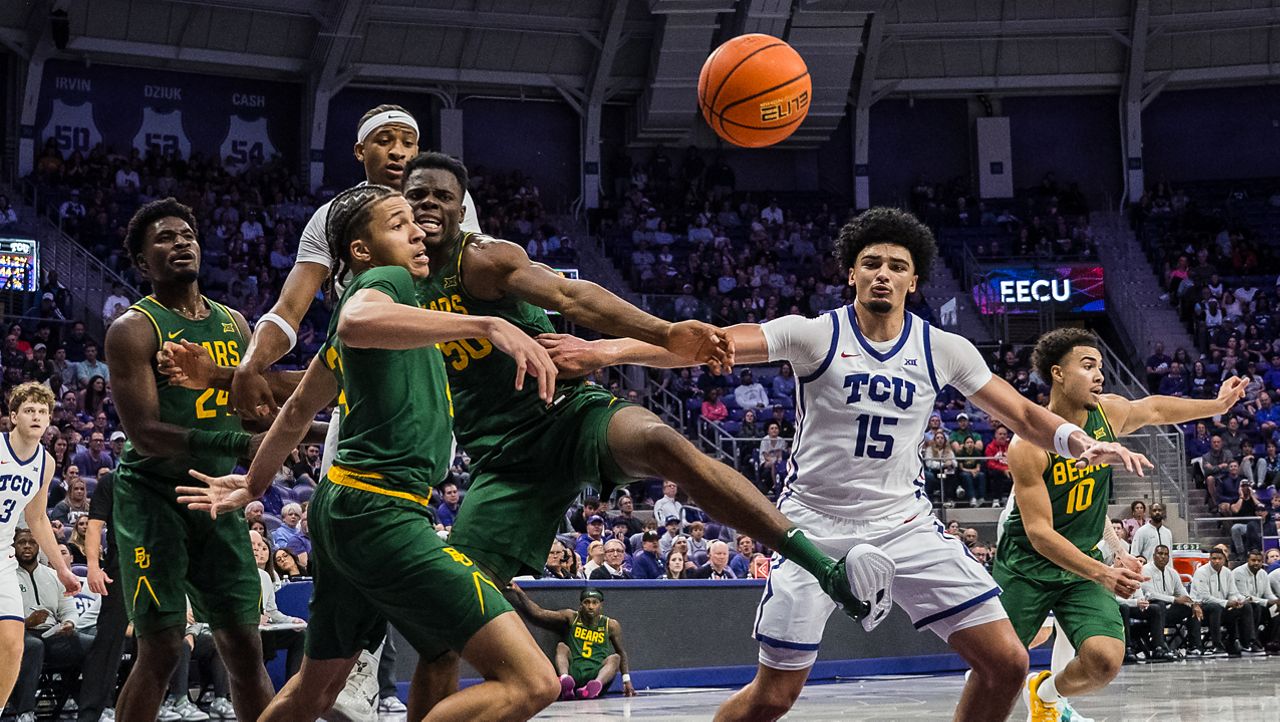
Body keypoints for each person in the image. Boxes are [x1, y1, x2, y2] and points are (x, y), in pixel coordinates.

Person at [545, 207, 1152, 721]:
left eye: (896, 266)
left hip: (906, 525)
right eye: (871, 263)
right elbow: (708, 343)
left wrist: (1079, 442)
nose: (882, 275)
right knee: (774, 697)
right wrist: (605, 349)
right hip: (814, 524)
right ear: (852, 273)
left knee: (1007, 663)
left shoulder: (943, 348)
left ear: (914, 281)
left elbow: (1021, 412)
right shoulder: (815, 335)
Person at [402, 152, 880, 713]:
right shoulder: (393, 287)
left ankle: (825, 566)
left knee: (662, 443)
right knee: (440, 636)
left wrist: (666, 331)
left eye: (441, 196)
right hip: (500, 464)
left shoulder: (482, 260)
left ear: (463, 210)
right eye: (418, 195)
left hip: (568, 415)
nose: (429, 204)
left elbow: (571, 297)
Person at [175, 185, 563, 721]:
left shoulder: (403, 314)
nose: (421, 231)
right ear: (363, 250)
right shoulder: (387, 281)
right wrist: (487, 323)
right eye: (400, 224)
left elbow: (293, 413)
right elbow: (360, 319)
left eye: (417, 224)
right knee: (534, 681)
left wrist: (255, 482)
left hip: (344, 508)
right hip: (382, 514)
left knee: (314, 692)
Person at [104, 198, 302, 722]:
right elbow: (145, 433)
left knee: (243, 643)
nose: (180, 242)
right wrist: (240, 446)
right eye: (164, 239)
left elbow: (257, 412)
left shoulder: (236, 324)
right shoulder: (133, 328)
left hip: (217, 497)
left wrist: (294, 430)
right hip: (153, 500)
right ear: (144, 263)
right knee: (165, 646)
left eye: (186, 233)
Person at [996, 328, 1245, 719]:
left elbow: (1157, 409)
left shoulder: (1106, 414)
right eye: (1088, 366)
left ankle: (1046, 693)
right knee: (998, 668)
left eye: (1100, 367)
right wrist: (1105, 572)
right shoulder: (1028, 444)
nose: (1099, 375)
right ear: (1058, 373)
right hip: (1028, 567)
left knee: (1105, 661)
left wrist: (1216, 406)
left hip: (1081, 565)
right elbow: (1040, 534)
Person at [0, 383, 80, 720]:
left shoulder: (45, 463)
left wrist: (62, 569)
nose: (36, 416)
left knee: (13, 645)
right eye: (29, 410)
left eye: (42, 412)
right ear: (13, 416)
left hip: (3, 556)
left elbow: (36, 517)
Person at [11, 528, 91, 721]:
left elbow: (68, 609)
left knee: (95, 645)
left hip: (52, 633)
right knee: (34, 646)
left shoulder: (53, 575)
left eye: (32, 542)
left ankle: (95, 707)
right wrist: (26, 621)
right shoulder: (5, 576)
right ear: (13, 546)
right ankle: (25, 713)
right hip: (19, 635)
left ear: (40, 546)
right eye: (22, 542)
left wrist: (69, 623)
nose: (28, 546)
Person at [507, 585, 636, 700]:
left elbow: (621, 652)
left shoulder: (611, 625)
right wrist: (519, 592)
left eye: (595, 603)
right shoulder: (572, 617)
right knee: (562, 646)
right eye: (586, 602)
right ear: (580, 605)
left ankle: (595, 685)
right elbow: (539, 613)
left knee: (615, 657)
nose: (590, 606)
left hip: (596, 672)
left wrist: (626, 680)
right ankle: (565, 680)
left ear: (601, 605)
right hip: (574, 669)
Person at [77, 468, 129, 722]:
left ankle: (153, 704)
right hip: (122, 570)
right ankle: (91, 712)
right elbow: (95, 526)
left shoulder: (163, 477)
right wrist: (93, 566)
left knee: (166, 640)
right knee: (109, 642)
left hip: (160, 570)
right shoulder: (112, 481)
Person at [1191, 547, 1260, 656]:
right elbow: (1205, 597)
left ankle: (1248, 643)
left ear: (1224, 559)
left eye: (1219, 558)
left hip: (1222, 608)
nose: (1217, 561)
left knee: (1247, 607)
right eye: (1214, 558)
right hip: (1202, 609)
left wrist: (1241, 600)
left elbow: (1233, 593)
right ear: (1209, 559)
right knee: (1215, 607)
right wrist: (1227, 603)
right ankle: (1217, 645)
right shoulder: (1201, 572)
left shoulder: (1227, 572)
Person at [1140, 545, 1204, 656]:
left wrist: (1193, 604)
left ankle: (1195, 647)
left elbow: (1182, 593)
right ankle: (1159, 647)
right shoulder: (1145, 570)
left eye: (1165, 554)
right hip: (1150, 610)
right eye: (1160, 554)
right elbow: (1150, 595)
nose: (1163, 557)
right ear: (1154, 556)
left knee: (1191, 609)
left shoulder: (1172, 572)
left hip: (1169, 609)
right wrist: (1174, 599)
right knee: (1158, 605)